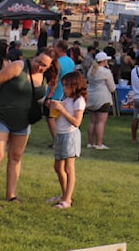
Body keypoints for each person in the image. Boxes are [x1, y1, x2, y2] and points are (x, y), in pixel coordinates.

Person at [0, 49, 54, 209]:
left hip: (22, 121)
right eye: (38, 62)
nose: (40, 66)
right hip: (0, 116)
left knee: (16, 157)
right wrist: (1, 100)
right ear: (34, 57)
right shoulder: (18, 66)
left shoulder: (43, 77)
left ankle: (11, 194)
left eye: (44, 65)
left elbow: (39, 96)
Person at [47, 70, 86, 209]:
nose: (64, 89)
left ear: (75, 86)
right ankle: (64, 195)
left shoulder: (79, 101)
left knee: (69, 168)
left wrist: (62, 110)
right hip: (61, 134)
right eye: (63, 86)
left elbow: (76, 122)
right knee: (58, 167)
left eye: (67, 86)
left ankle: (67, 200)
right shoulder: (67, 98)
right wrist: (54, 107)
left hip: (70, 136)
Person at [46, 40, 76, 147]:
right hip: (66, 92)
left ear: (59, 49)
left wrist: (50, 94)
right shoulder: (71, 61)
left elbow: (55, 79)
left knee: (50, 117)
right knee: (60, 117)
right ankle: (61, 139)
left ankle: (57, 141)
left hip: (57, 93)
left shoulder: (57, 62)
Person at [86, 52, 116, 149]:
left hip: (91, 96)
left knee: (92, 121)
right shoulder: (106, 72)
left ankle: (90, 142)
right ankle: (99, 143)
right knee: (101, 122)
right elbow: (112, 88)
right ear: (103, 61)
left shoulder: (91, 70)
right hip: (102, 98)